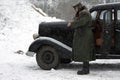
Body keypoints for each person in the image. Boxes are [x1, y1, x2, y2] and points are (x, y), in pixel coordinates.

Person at [67, 2, 94, 75]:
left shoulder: (84, 13)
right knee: (84, 51)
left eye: (75, 8)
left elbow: (81, 22)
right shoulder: (82, 13)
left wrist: (71, 24)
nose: (75, 10)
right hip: (83, 34)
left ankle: (86, 69)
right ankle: (85, 68)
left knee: (85, 51)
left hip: (84, 35)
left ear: (78, 7)